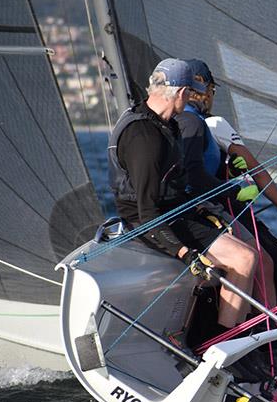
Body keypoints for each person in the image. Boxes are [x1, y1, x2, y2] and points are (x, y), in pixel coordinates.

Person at [108, 58, 258, 329]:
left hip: (172, 211)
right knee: (244, 259)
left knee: (244, 250)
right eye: (189, 91)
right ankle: (223, 342)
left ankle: (221, 333)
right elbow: (147, 212)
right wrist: (184, 253)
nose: (191, 97)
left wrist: (209, 211)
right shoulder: (144, 138)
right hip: (150, 220)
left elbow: (177, 185)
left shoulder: (166, 124)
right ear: (179, 92)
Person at [177, 59, 277, 319]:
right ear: (205, 90)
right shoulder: (212, 124)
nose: (212, 97)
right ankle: (267, 337)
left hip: (191, 212)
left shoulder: (171, 121)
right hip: (224, 209)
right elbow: (256, 170)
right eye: (212, 90)